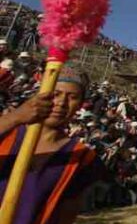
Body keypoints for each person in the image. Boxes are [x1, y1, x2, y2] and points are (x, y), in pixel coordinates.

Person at [0, 65, 102, 224]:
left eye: (72, 97)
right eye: (55, 94)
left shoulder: (81, 156)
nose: (61, 103)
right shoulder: (8, 130)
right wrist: (16, 117)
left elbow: (65, 215)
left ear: (81, 104)